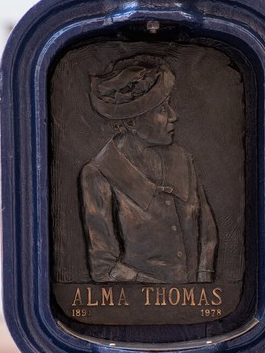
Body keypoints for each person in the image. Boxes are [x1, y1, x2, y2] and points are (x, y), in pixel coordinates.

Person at [80, 54, 218, 284]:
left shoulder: (182, 159)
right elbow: (104, 267)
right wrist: (159, 291)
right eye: (163, 110)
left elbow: (207, 232)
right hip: (136, 303)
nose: (174, 117)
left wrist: (202, 282)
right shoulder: (99, 173)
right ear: (132, 122)